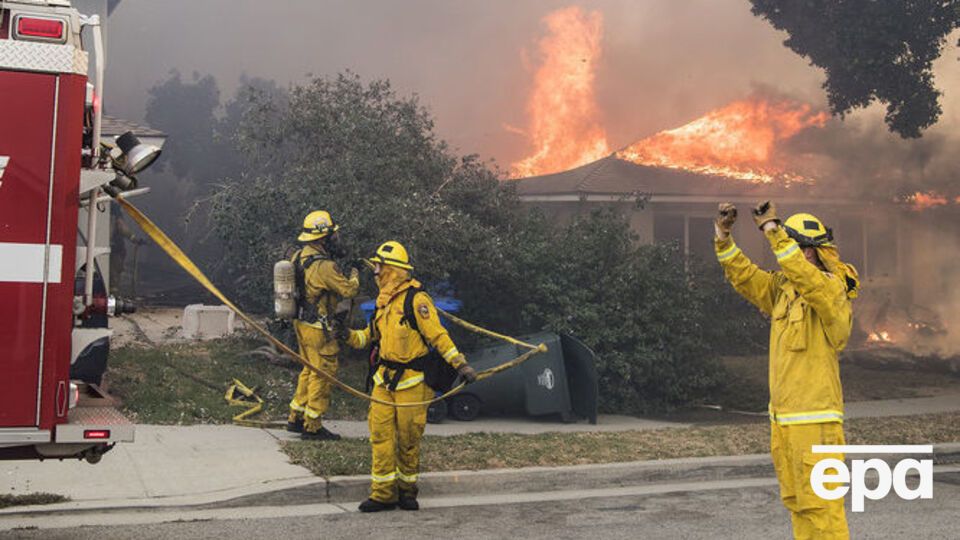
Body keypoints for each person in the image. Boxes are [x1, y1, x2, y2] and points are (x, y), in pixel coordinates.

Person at [714, 201, 859, 540]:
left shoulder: (831, 290)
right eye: (799, 247)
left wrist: (774, 233)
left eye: (807, 248)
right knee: (798, 505)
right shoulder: (783, 290)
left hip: (817, 423)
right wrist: (723, 235)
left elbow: (806, 277)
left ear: (820, 251)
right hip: (784, 422)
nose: (803, 254)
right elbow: (745, 277)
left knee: (823, 510)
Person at [342, 240, 478, 513]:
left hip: (412, 383)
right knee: (380, 436)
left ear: (392, 269)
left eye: (379, 266)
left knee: (408, 439)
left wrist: (460, 364)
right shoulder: (382, 303)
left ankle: (406, 491)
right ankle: (382, 495)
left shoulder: (417, 300)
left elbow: (438, 336)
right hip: (384, 380)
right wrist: (344, 335)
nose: (375, 272)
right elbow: (368, 338)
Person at [287, 210, 360, 441]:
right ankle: (313, 426)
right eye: (332, 236)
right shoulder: (325, 266)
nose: (335, 240)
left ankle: (295, 417)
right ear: (322, 238)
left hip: (301, 324)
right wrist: (356, 273)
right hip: (319, 329)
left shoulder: (299, 256)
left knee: (308, 370)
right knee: (322, 373)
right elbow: (348, 290)